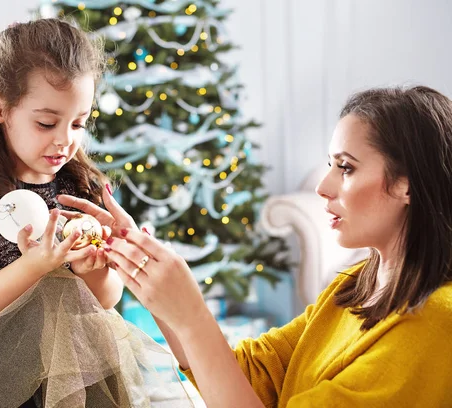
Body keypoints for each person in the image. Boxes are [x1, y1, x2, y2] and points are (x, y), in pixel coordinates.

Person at [59, 85, 452, 407]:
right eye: (330, 164)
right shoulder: (354, 286)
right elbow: (250, 378)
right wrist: (148, 269)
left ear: (408, 184)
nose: (322, 186)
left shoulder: (437, 324)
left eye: (346, 167)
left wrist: (193, 316)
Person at [0, 18, 175, 408]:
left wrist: (95, 268)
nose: (64, 139)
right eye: (46, 122)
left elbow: (105, 301)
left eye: (78, 122)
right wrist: (34, 265)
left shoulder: (81, 191)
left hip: (80, 372)